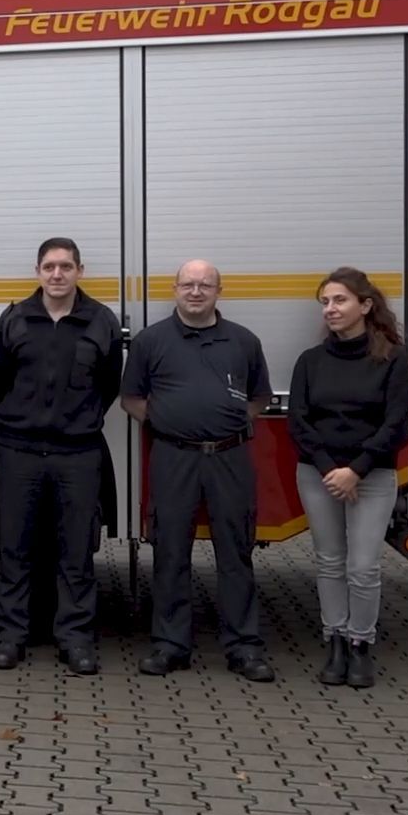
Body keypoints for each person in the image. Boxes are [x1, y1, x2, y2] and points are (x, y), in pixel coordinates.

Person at [121, 260, 277, 682]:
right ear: (174, 289)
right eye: (188, 284)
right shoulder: (151, 341)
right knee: (170, 552)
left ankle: (244, 647)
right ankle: (171, 645)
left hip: (229, 457)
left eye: (204, 285)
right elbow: (132, 398)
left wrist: (221, 425)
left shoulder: (243, 341)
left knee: (236, 552)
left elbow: (259, 399)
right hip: (174, 457)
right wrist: (171, 423)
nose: (195, 291)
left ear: (218, 291)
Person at [0, 237, 124, 676]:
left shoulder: (101, 321)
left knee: (76, 551)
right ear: (38, 271)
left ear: (80, 270)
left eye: (66, 266)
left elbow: (110, 385)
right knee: (15, 547)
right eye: (49, 266)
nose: (57, 274)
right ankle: (10, 637)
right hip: (19, 451)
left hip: (77, 454)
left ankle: (76, 639)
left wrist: (76, 420)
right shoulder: (15, 320)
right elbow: (3, 379)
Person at [287, 267, 408, 689]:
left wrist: (355, 470)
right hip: (319, 475)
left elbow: (397, 425)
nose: (330, 309)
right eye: (325, 302)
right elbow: (299, 422)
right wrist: (329, 469)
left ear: (365, 305)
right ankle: (335, 640)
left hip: (371, 477)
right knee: (329, 562)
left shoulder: (394, 360)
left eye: (339, 300)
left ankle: (361, 644)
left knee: (362, 567)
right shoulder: (311, 361)